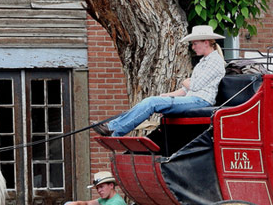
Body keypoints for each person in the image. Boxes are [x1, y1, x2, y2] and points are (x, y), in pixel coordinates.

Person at [94, 25, 226, 137]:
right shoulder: (203, 62)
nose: (193, 47)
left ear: (206, 43)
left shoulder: (215, 61)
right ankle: (114, 127)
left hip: (201, 101)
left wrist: (184, 81)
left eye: (195, 43)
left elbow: (195, 86)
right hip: (194, 99)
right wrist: (168, 95)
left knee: (151, 103)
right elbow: (186, 89)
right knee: (153, 100)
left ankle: (115, 130)